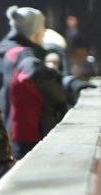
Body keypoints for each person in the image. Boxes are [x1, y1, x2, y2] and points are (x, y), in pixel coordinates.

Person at [4, 27, 69, 158]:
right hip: (31, 134)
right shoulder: (33, 69)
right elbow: (58, 96)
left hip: (21, 132)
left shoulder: (21, 66)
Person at [0, 6, 50, 130]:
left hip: (9, 125)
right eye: (42, 27)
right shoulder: (24, 55)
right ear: (33, 31)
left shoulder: (7, 51)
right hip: (23, 130)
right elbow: (42, 80)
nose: (44, 31)